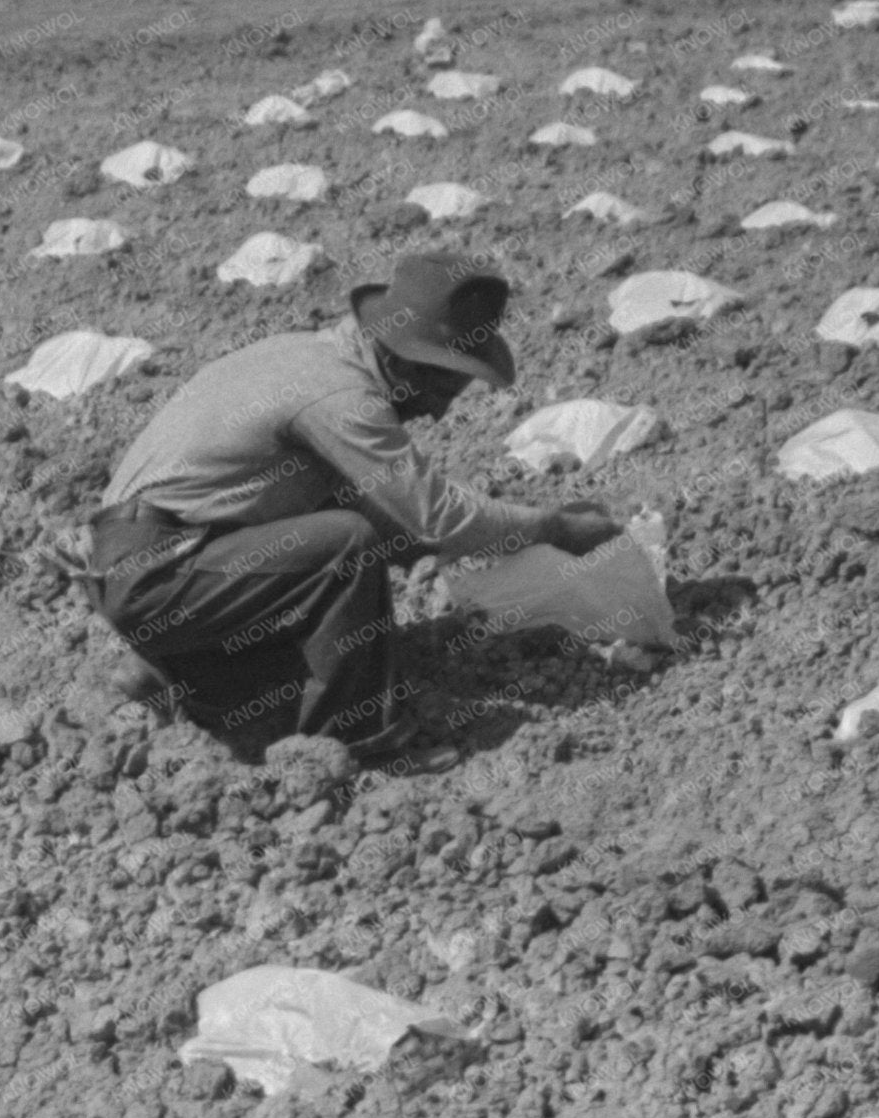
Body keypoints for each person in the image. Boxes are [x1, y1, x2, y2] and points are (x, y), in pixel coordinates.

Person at [81, 250, 626, 765]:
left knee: (346, 547)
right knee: (345, 541)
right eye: (443, 389)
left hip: (148, 562)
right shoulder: (342, 397)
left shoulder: (307, 355)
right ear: (404, 362)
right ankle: (359, 744)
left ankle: (183, 674)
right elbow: (434, 515)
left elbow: (403, 523)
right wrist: (555, 528)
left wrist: (468, 546)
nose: (437, 414)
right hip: (159, 572)